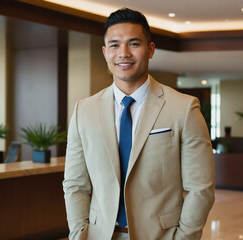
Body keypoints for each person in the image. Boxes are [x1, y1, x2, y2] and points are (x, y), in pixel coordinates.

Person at [63, 8, 215, 240]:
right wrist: (78, 233)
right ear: (105, 53)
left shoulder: (184, 108)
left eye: (134, 44)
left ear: (150, 49)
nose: (123, 53)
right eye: (114, 45)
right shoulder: (83, 110)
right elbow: (75, 184)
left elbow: (201, 188)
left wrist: (183, 238)